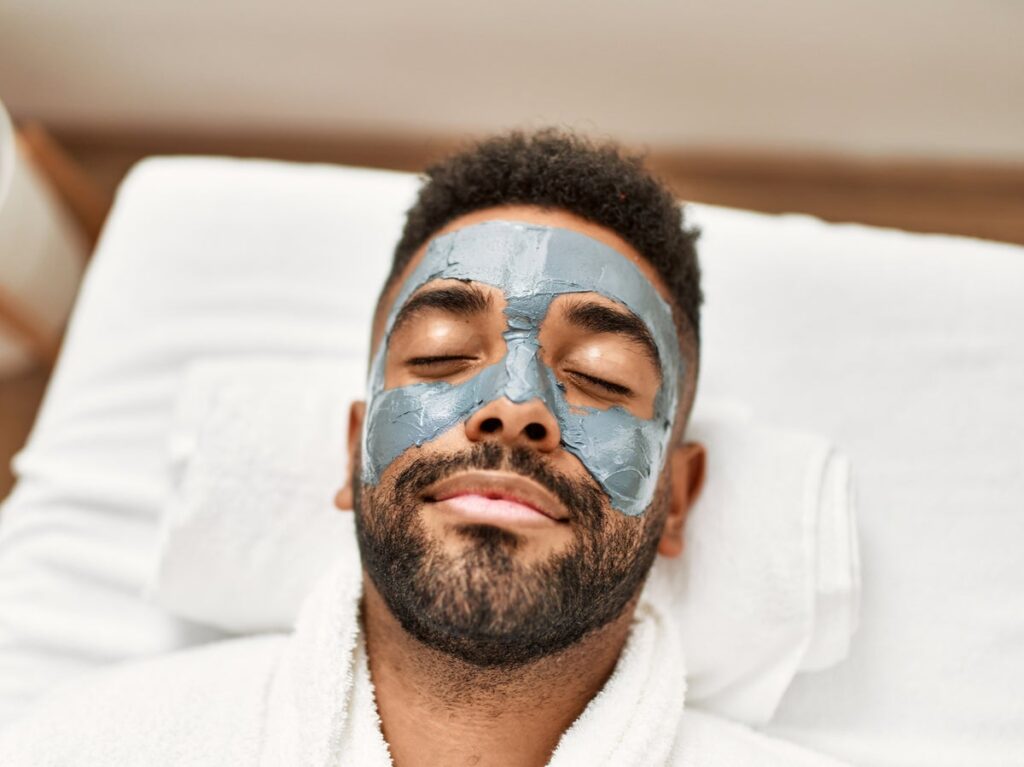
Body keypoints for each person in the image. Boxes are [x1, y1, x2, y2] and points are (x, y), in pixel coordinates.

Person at [0, 130, 847, 766]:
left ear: (677, 497)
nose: (516, 407)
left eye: (598, 375)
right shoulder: (86, 744)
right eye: (443, 356)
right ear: (352, 452)